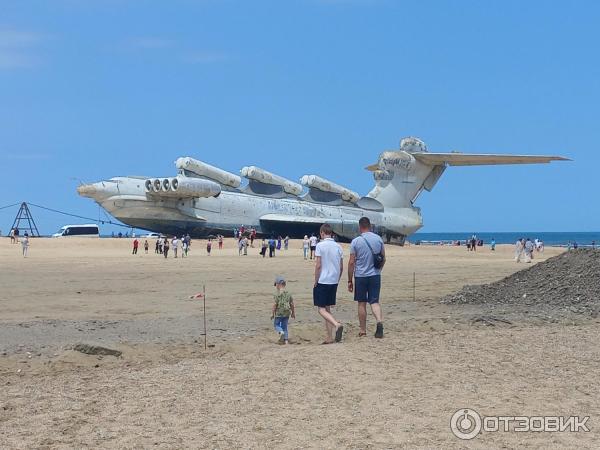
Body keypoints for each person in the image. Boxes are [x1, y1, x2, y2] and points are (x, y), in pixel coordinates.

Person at [347, 216, 385, 338]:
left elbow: (351, 262)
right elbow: (383, 258)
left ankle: (363, 330)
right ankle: (379, 321)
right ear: (370, 226)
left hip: (361, 276)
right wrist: (378, 270)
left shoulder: (356, 241)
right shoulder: (378, 239)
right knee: (374, 302)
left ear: (360, 227)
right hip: (375, 275)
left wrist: (349, 280)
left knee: (361, 303)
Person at [313, 223, 344, 344]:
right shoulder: (338, 246)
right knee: (327, 309)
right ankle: (329, 336)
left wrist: (316, 280)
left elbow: (318, 265)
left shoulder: (320, 245)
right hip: (333, 280)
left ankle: (337, 324)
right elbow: (341, 267)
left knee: (321, 309)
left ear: (322, 233)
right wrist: (338, 278)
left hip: (323, 280)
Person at [271, 276, 295, 344]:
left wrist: (272, 314)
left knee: (276, 325)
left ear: (278, 285)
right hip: (287, 312)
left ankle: (281, 332)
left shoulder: (276, 294)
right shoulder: (289, 293)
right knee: (285, 326)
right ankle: (286, 341)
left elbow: (275, 305)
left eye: (276, 285)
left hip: (279, 312)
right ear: (285, 284)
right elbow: (292, 304)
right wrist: (293, 313)